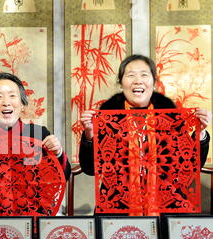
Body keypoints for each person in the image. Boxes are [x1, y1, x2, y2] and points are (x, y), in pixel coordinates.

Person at [78, 54, 211, 213]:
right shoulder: (107, 120)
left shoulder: (171, 119)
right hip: (117, 208)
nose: (138, 80)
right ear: (121, 83)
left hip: (166, 205)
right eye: (130, 75)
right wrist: (89, 134)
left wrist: (200, 133)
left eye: (144, 75)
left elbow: (189, 167)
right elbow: (89, 168)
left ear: (154, 83)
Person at [0, 72, 71, 216]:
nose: (6, 102)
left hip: (34, 217)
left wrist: (58, 153)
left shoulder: (39, 134)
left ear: (22, 104)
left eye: (12, 95)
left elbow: (62, 176)